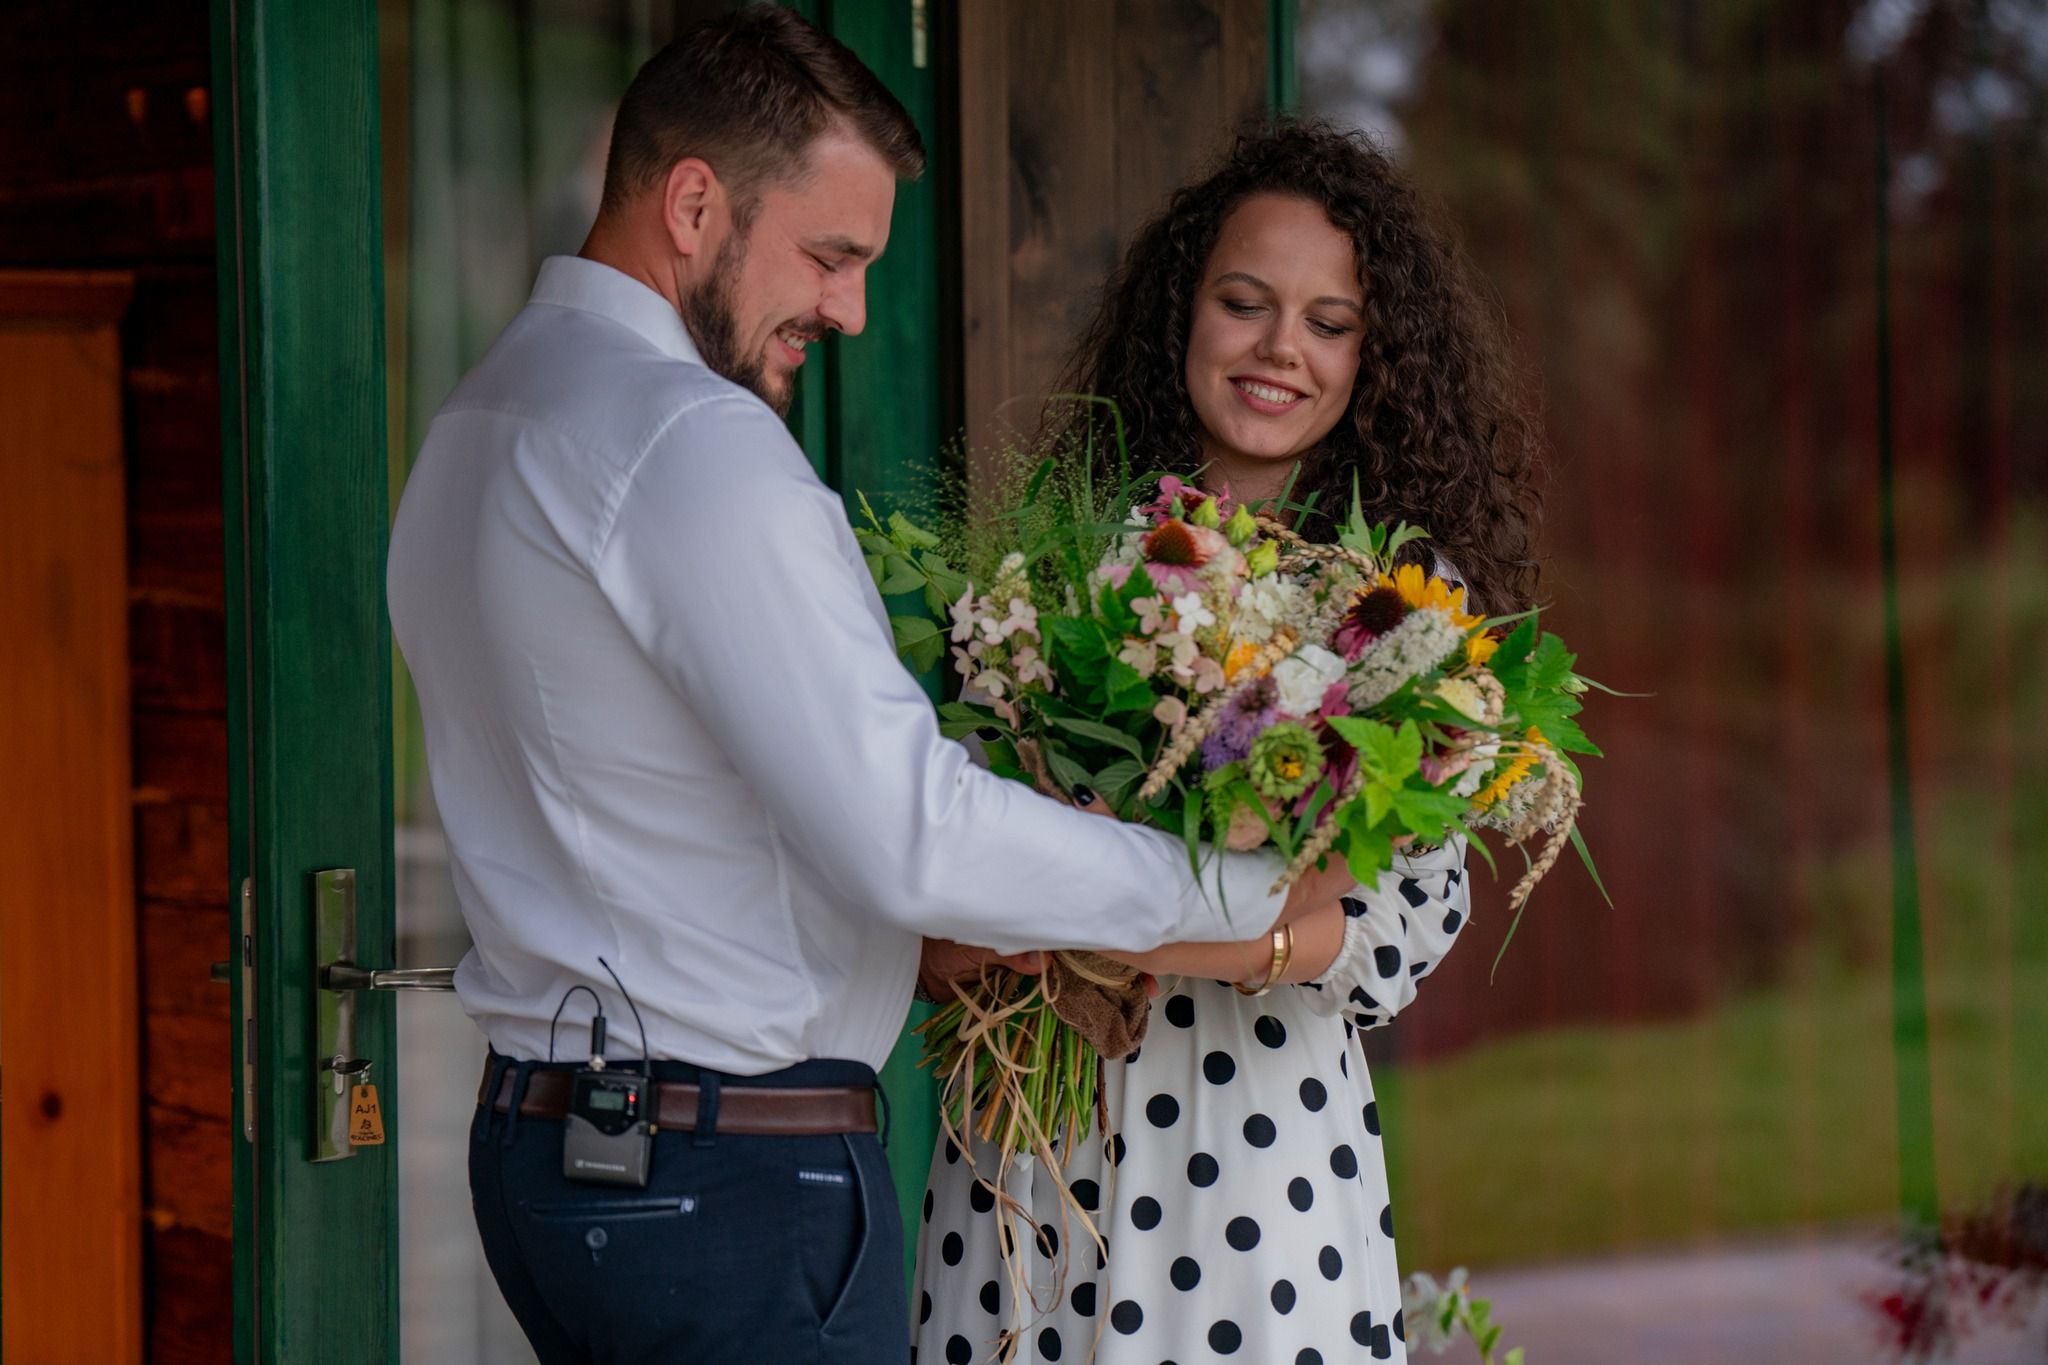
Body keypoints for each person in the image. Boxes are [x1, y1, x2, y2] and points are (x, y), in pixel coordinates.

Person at [386, 11, 1352, 1364]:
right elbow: (914, 835)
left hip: (556, 1158)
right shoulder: (690, 443)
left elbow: (665, 815)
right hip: (721, 1185)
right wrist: (1248, 901)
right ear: (693, 201)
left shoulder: (482, 422)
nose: (846, 311)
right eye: (829, 257)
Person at [911, 119, 1543, 1365]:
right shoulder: (1052, 564)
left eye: (1327, 322)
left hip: (1258, 1169)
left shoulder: (1403, 612)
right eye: (1243, 303)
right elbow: (934, 906)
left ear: (1376, 353)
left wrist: (1104, 917)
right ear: (1179, 315)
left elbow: (1389, 937)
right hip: (1026, 1157)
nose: (1277, 351)